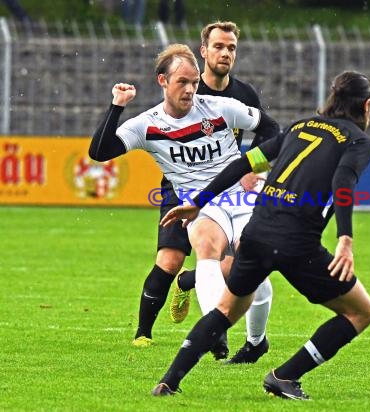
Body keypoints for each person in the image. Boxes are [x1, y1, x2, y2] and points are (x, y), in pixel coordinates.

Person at [152, 70, 370, 400]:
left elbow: (245, 163)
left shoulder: (299, 127)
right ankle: (285, 376)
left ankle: (169, 381)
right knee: (361, 312)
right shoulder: (357, 140)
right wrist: (345, 238)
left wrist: (197, 204)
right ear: (367, 105)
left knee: (226, 311)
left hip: (256, 233)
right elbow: (343, 181)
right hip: (296, 243)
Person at [88, 43, 280, 360]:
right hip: (200, 206)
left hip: (242, 195)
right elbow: (99, 152)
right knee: (204, 247)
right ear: (163, 81)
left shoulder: (221, 107)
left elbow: (271, 128)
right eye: (182, 82)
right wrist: (117, 106)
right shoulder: (147, 125)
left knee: (248, 262)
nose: (190, 89)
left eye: (193, 82)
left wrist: (253, 164)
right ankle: (214, 333)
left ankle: (256, 341)